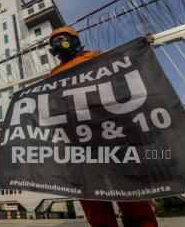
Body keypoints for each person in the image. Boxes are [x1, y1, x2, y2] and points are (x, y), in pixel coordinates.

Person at [48, 26, 158, 227]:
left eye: (61, 39)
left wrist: (139, 48)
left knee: (131, 189)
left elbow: (123, 69)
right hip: (79, 141)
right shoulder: (54, 73)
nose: (57, 45)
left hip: (113, 133)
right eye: (53, 43)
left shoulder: (97, 56)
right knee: (91, 196)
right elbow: (47, 99)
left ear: (74, 40)